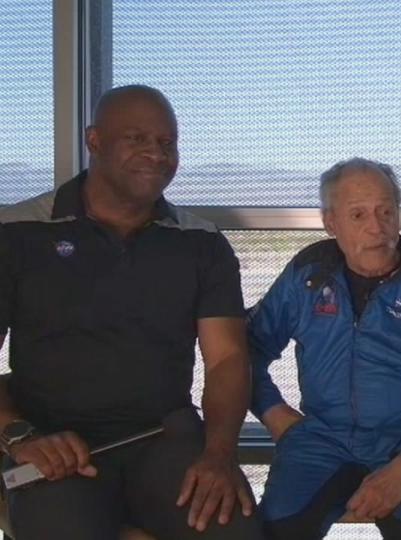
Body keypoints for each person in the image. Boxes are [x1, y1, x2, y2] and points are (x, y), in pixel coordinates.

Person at [0, 85, 262, 539]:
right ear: (94, 141)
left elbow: (226, 360)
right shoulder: (18, 234)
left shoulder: (200, 243)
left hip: (166, 440)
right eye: (137, 139)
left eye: (166, 143)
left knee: (231, 528)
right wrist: (19, 436)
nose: (156, 154)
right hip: (55, 448)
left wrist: (219, 454)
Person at [247, 157, 401, 540]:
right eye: (358, 215)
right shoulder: (307, 275)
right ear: (330, 223)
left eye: (386, 211)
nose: (377, 227)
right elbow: (246, 349)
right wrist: (273, 412)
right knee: (273, 529)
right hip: (320, 440)